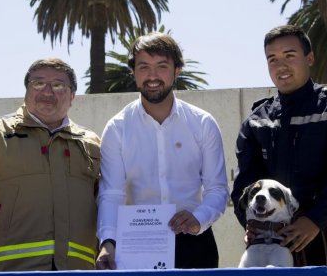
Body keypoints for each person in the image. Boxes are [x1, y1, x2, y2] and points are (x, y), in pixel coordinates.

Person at [96, 32, 229, 269]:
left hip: (195, 241)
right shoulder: (117, 128)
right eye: (144, 67)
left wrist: (198, 218)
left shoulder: (203, 123)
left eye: (162, 66)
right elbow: (111, 193)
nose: (152, 76)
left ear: (177, 70)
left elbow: (217, 188)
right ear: (134, 72)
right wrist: (108, 241)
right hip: (137, 244)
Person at [231, 25, 327, 275]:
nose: (280, 65)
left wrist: (314, 220)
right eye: (272, 59)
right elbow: (244, 185)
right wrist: (249, 222)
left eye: (289, 55)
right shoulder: (256, 121)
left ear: (310, 58)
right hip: (271, 241)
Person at [0, 58, 101, 271]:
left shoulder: (91, 143)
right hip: (12, 269)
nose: (47, 92)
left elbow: (106, 203)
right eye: (38, 83)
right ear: (26, 91)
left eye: (59, 85)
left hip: (77, 270)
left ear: (72, 97)